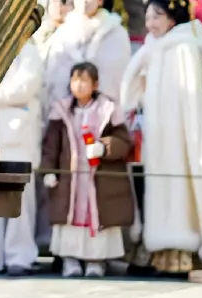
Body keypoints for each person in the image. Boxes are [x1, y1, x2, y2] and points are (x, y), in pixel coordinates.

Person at [122, 0, 202, 274]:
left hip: (183, 134)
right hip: (159, 131)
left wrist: (193, 137)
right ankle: (165, 249)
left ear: (172, 18)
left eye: (156, 16)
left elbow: (192, 100)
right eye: (148, 17)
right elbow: (129, 88)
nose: (150, 23)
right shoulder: (155, 47)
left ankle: (191, 247)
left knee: (183, 187)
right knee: (162, 185)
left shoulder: (184, 46)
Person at [42, 62, 134, 278]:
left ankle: (96, 261)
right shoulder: (62, 110)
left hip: (99, 178)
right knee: (69, 217)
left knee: (98, 216)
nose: (79, 85)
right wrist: (49, 170)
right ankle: (70, 260)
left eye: (84, 80)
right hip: (70, 178)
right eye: (75, 80)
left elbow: (124, 141)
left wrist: (105, 146)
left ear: (95, 84)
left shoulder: (108, 109)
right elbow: (51, 145)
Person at [0, 39, 44, 276]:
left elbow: (25, 87)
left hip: (19, 134)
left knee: (21, 200)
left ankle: (20, 255)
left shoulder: (28, 50)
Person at [43, 0, 130, 112]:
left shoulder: (115, 32)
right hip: (66, 108)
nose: (85, 0)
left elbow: (117, 73)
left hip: (105, 110)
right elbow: (53, 72)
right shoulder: (64, 32)